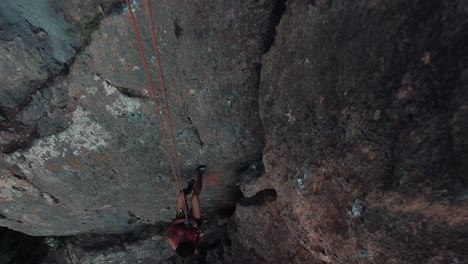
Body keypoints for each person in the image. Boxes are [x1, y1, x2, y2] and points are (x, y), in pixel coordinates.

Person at [168, 165, 205, 258]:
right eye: (188, 240)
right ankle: (200, 176)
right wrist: (198, 232)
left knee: (181, 195)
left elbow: (173, 223)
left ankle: (188, 190)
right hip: (193, 222)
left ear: (179, 243)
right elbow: (199, 236)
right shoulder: (194, 248)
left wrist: (183, 219)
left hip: (180, 220)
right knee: (195, 197)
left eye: (183, 240)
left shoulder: (172, 240)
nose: (185, 239)